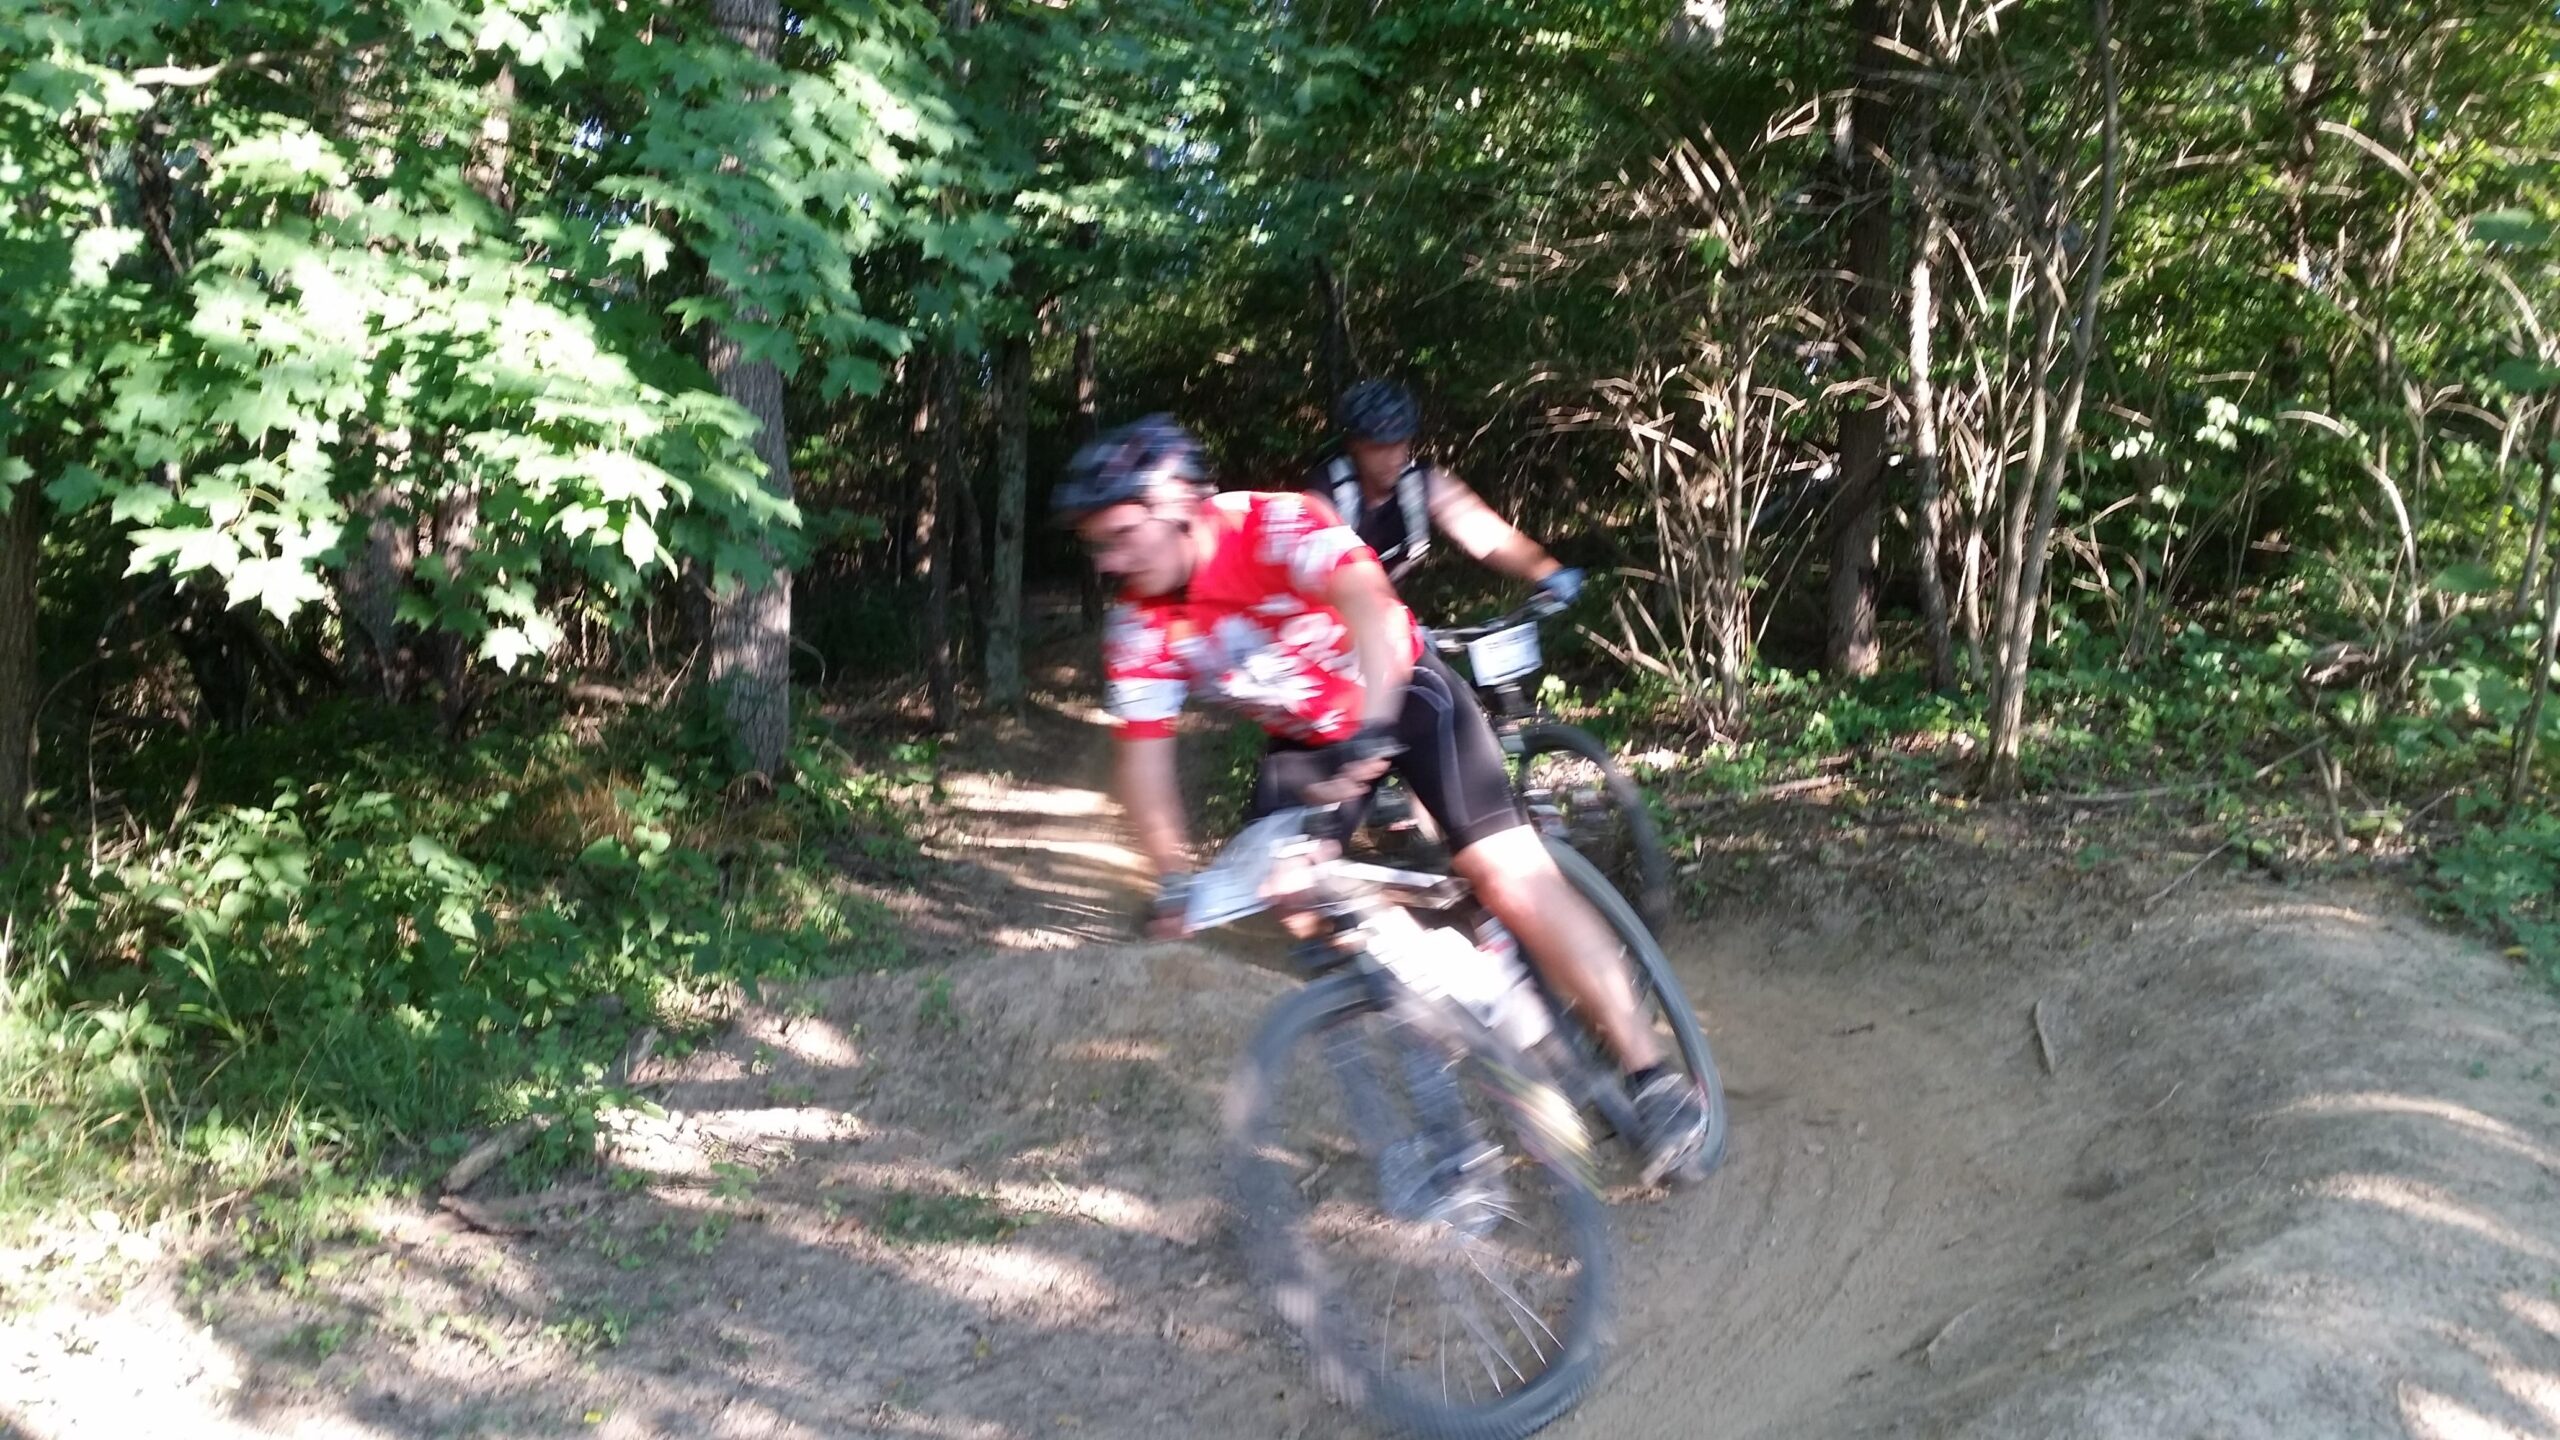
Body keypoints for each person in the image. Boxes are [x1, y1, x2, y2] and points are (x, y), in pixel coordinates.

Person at [1055, 415, 1711, 1184]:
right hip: (1306, 738)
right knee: (1296, 899)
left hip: (1402, 693)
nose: (1109, 561)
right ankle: (1444, 1021)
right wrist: (1171, 877)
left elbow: (1367, 602)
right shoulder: (1138, 624)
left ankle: (1651, 1076)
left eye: (1119, 536)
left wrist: (1370, 731)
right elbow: (1145, 761)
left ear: (1174, 505)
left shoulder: (1269, 525)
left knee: (1508, 874)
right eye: (1097, 546)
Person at [1312, 379, 1583, 607]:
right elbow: (1324, 580)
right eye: (1379, 447)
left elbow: (1489, 535)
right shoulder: (1325, 495)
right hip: (1321, 627)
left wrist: (1548, 572)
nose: (1393, 457)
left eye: (1400, 442)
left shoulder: (1419, 483)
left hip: (1385, 624)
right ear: (1355, 445)